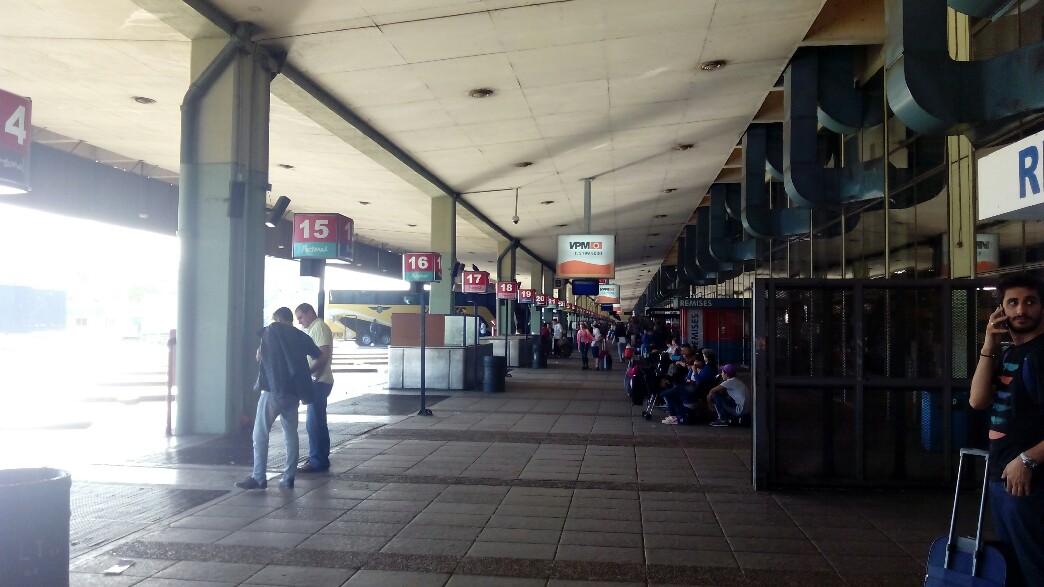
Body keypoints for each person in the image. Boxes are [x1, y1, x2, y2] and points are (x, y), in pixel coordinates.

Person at [970, 272, 1044, 587]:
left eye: (1030, 301)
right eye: (1012, 303)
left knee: (1035, 568)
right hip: (1004, 479)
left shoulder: (1041, 355)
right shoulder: (1011, 353)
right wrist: (989, 343)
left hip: (1031, 481)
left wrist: (1028, 459)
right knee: (1014, 567)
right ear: (1000, 310)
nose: (1020, 310)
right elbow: (977, 400)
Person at [237, 307, 320, 490]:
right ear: (290, 319)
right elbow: (318, 354)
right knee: (291, 433)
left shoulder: (272, 331)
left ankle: (259, 477)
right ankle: (288, 477)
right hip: (293, 392)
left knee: (260, 433)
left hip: (273, 391)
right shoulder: (301, 336)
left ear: (278, 320)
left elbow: (260, 355)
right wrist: (306, 373)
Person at [295, 303, 335, 474]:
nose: (299, 322)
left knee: (314, 424)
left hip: (319, 381)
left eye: (301, 317)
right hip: (320, 380)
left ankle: (316, 461)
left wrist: (310, 373)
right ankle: (320, 459)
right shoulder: (316, 328)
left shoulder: (319, 327)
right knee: (318, 423)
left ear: (310, 313)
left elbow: (323, 354)